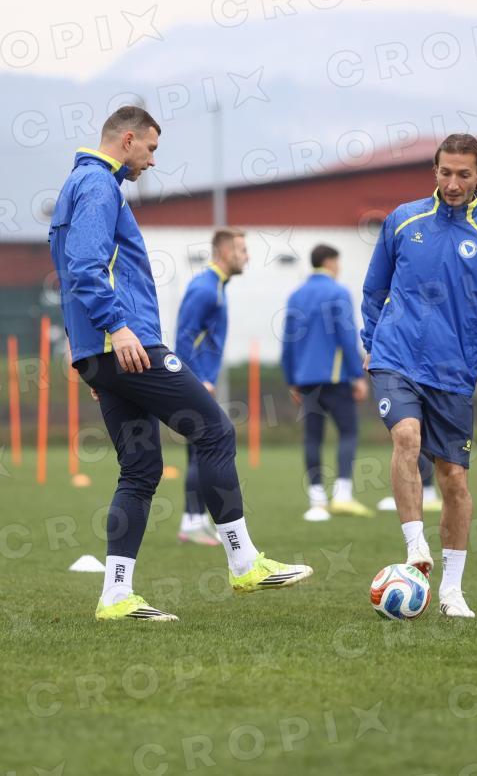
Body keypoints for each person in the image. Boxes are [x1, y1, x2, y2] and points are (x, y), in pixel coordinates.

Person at [49, 106, 312, 622]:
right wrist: (116, 328)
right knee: (214, 430)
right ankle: (243, 561)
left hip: (101, 350)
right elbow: (83, 267)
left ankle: (116, 595)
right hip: (127, 341)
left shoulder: (75, 185)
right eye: (150, 149)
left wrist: (88, 355)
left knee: (140, 469)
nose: (151, 161)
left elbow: (67, 272)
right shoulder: (99, 184)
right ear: (127, 139)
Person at [361, 133, 477, 618]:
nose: (453, 183)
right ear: (434, 172)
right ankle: (416, 548)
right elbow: (374, 290)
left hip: (453, 373)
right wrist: (373, 343)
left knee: (453, 479)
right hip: (396, 357)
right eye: (445, 172)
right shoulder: (403, 220)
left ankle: (452, 591)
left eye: (463, 174)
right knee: (406, 437)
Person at [282, 244, 372, 522]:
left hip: (306, 380)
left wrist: (292, 379)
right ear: (330, 261)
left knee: (312, 436)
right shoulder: (338, 292)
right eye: (338, 262)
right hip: (335, 377)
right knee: (348, 432)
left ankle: (317, 499)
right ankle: (342, 495)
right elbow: (346, 336)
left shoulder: (296, 295)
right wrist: (357, 374)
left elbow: (288, 341)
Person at [175, 228, 248, 545]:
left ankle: (195, 519)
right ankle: (192, 521)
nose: (247, 257)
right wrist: (197, 379)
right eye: (242, 250)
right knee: (208, 446)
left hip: (200, 380)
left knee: (200, 448)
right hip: (195, 380)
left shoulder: (217, 286)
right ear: (225, 251)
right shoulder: (205, 288)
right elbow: (184, 335)